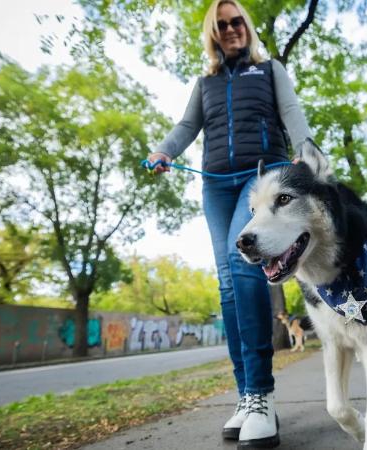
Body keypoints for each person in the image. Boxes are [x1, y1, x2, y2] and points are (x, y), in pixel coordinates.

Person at [146, 1, 315, 446]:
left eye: (237, 21)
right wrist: (164, 150)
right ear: (213, 33)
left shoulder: (270, 69)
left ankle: (261, 395)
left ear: (247, 26)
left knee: (242, 263)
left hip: (261, 178)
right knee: (226, 280)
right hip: (217, 185)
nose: (231, 29)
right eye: (222, 25)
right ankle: (246, 396)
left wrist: (307, 149)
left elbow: (292, 111)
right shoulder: (205, 83)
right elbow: (186, 126)